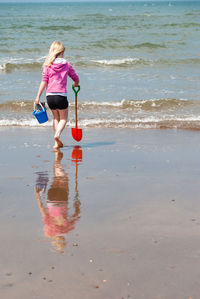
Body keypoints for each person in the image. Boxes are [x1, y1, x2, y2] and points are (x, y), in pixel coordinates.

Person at [35, 41, 79, 149]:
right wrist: (75, 84)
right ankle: (57, 135)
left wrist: (37, 97)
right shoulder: (66, 64)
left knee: (56, 118)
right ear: (62, 51)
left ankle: (56, 143)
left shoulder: (48, 65)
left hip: (50, 96)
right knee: (63, 118)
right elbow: (76, 78)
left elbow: (44, 81)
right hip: (61, 96)